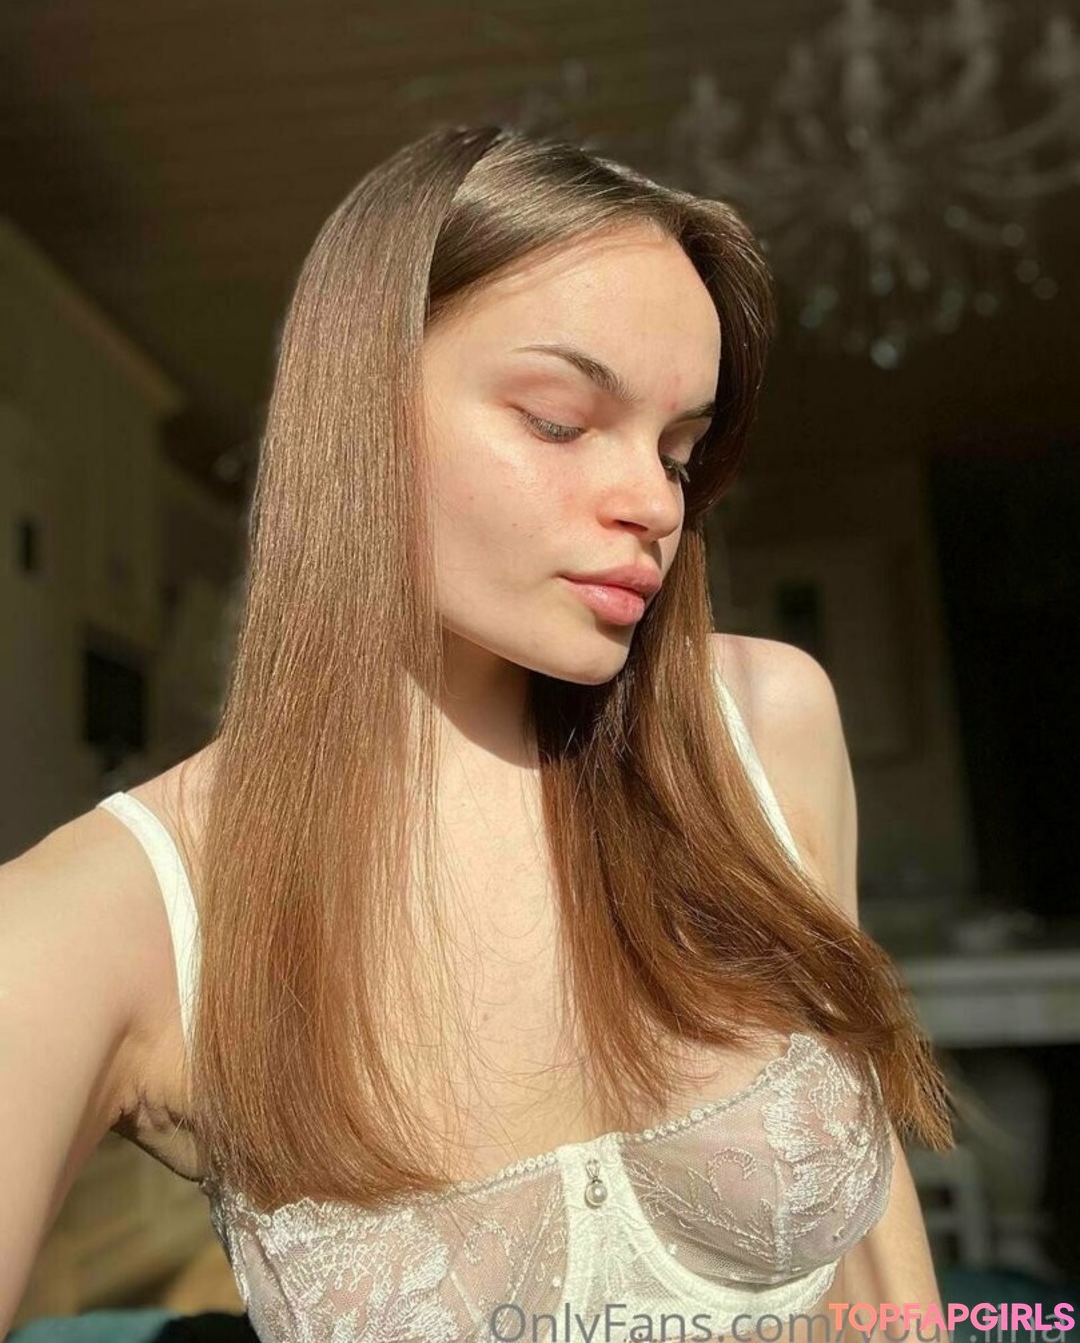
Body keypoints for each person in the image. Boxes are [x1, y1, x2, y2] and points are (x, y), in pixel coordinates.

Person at [2, 123, 955, 1342]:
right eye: (559, 420)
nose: (655, 501)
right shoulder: (118, 907)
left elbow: (878, 1244)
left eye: (680, 450)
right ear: (356, 411)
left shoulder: (761, 727)